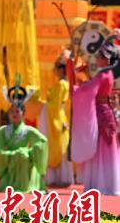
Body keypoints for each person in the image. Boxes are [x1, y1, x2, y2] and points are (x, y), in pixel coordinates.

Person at [71, 37, 120, 195]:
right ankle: (109, 183)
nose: (97, 59)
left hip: (101, 113)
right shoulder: (108, 74)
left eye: (99, 57)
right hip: (106, 112)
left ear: (105, 59)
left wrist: (75, 81)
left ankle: (101, 184)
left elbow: (86, 90)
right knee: (106, 148)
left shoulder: (102, 75)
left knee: (100, 148)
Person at [0, 77, 48, 193]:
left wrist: (31, 153)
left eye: (17, 111)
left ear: (23, 114)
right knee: (18, 156)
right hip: (10, 161)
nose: (14, 114)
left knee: (22, 156)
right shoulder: (4, 130)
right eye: (12, 112)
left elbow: (42, 142)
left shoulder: (28, 130)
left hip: (24, 161)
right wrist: (6, 154)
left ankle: (26, 184)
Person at [39, 53, 73, 187]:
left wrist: (43, 104)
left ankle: (61, 177)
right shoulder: (63, 84)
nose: (54, 70)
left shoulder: (62, 84)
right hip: (56, 116)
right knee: (58, 145)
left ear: (61, 69)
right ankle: (59, 176)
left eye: (56, 67)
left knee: (59, 146)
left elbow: (55, 104)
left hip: (57, 118)